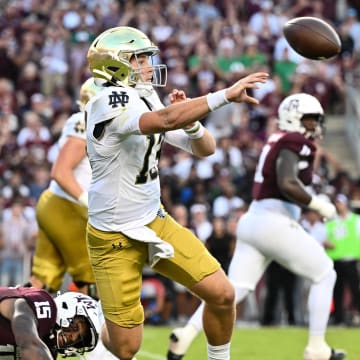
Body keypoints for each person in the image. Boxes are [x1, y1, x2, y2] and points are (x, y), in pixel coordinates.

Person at [85, 26, 268, 360]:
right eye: (139, 58)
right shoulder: (105, 101)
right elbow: (164, 120)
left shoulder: (143, 94)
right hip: (113, 235)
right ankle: (88, 317)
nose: (147, 65)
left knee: (222, 294)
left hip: (155, 220)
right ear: (115, 65)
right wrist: (224, 95)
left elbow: (205, 149)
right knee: (126, 349)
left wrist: (192, 123)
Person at [167, 93, 346, 360]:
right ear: (294, 117)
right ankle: (317, 348)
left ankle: (185, 335)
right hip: (274, 221)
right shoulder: (294, 140)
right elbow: (287, 182)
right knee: (325, 274)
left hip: (253, 220)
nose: (314, 125)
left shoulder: (276, 139)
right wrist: (319, 205)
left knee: (233, 289)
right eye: (310, 119)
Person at [27, 78, 100, 298]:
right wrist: (88, 202)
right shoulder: (85, 121)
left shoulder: (88, 122)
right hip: (68, 207)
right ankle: (86, 332)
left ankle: (11, 326)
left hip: (56, 205)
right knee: (91, 279)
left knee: (41, 284)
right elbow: (60, 172)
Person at [0, 286, 99, 359]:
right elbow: (22, 317)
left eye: (79, 340)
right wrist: (33, 345)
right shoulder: (47, 307)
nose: (73, 337)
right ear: (68, 307)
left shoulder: (49, 350)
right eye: (76, 327)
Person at [325, 193, 360, 325]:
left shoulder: (356, 220)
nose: (339, 206)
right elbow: (326, 239)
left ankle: (356, 313)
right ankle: (338, 317)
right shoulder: (332, 223)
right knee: (337, 290)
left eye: (341, 203)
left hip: (351, 260)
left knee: (355, 289)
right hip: (336, 260)